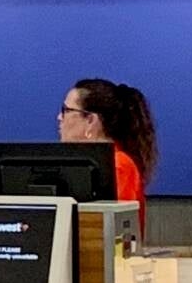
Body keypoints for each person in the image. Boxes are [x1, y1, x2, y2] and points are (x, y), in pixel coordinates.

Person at [59, 78, 156, 222]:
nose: (59, 117)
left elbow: (113, 227)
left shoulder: (118, 166)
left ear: (91, 120)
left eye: (66, 110)